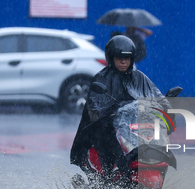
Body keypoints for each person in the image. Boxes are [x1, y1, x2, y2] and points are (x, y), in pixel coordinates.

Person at [70, 35, 170, 177]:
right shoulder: (102, 78)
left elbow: (156, 95)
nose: (123, 61)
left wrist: (163, 105)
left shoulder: (139, 77)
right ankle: (114, 176)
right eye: (119, 58)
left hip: (132, 125)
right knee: (109, 137)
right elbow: (94, 106)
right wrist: (105, 111)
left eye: (127, 58)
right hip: (104, 128)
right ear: (112, 58)